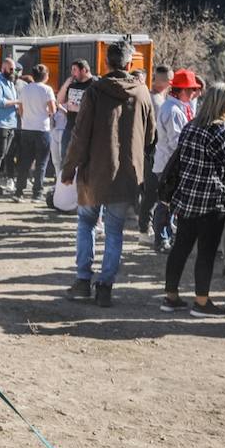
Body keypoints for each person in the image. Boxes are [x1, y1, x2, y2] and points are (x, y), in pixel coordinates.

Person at [60, 42, 156, 307]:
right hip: (126, 174)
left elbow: (80, 135)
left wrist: (69, 169)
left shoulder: (95, 91)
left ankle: (82, 281)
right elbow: (151, 137)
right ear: (129, 64)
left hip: (94, 172)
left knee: (86, 224)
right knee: (114, 231)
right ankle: (105, 287)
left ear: (107, 63)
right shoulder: (142, 93)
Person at [161, 83, 225, 317]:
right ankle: (202, 303)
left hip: (187, 197)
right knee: (206, 252)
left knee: (180, 248)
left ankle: (171, 297)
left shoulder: (192, 126)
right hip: (212, 201)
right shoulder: (221, 131)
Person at [147, 68, 200, 253]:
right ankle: (161, 239)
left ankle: (165, 236)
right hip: (170, 164)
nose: (194, 93)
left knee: (169, 202)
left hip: (169, 163)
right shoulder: (174, 110)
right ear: (182, 91)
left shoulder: (175, 107)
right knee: (165, 203)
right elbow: (177, 141)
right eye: (192, 90)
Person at [12, 63, 57, 201]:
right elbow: (53, 109)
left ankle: (19, 191)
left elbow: (20, 108)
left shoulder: (25, 89)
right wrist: (47, 113)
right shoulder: (47, 89)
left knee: (24, 161)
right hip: (42, 129)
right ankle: (37, 193)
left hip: (27, 128)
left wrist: (26, 117)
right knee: (41, 163)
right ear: (46, 76)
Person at [0, 58, 20, 193]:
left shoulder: (11, 83)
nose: (13, 72)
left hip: (11, 124)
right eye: (11, 69)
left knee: (5, 155)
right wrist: (17, 102)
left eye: (14, 69)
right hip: (0, 124)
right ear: (3, 68)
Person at [56, 60, 94, 157]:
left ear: (84, 70)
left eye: (74, 70)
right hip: (70, 127)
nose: (72, 73)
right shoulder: (73, 84)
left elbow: (97, 106)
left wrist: (78, 108)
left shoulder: (94, 84)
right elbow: (59, 101)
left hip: (87, 129)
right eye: (71, 70)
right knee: (65, 157)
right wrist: (66, 84)